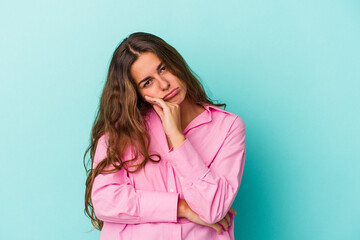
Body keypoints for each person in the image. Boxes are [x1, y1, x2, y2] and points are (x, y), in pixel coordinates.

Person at [83, 32, 246, 240]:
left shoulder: (228, 127)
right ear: (138, 93)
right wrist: (181, 207)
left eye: (163, 68)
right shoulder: (123, 130)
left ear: (176, 63)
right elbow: (105, 201)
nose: (164, 84)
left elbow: (213, 209)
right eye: (147, 82)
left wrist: (176, 137)